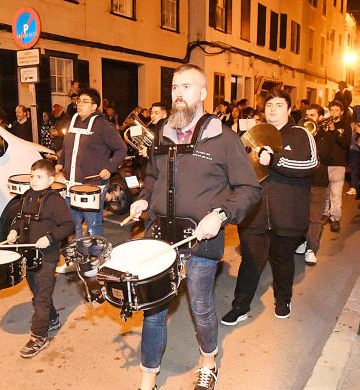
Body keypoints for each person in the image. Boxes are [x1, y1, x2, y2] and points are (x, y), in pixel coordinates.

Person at [130, 64, 262, 390]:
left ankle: (208, 361)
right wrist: (144, 199)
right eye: (175, 87)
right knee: (153, 309)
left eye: (187, 87)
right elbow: (153, 176)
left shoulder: (224, 139)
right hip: (159, 237)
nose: (178, 93)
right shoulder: (161, 132)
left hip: (201, 239)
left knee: (200, 305)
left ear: (202, 94)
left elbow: (249, 189)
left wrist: (220, 215)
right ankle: (148, 378)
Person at [221, 89, 318, 326]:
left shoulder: (300, 134)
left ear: (289, 108)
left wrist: (273, 160)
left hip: (287, 214)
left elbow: (310, 165)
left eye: (278, 105)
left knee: (282, 260)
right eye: (269, 106)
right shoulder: (255, 134)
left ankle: (283, 299)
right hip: (255, 214)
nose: (272, 109)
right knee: (250, 261)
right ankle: (240, 306)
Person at [7, 159, 74, 358]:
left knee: (41, 298)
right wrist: (13, 231)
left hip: (47, 256)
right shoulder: (27, 195)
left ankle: (38, 336)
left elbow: (68, 225)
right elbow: (20, 218)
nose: (34, 181)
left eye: (39, 177)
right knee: (38, 293)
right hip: (28, 254)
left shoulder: (54, 200)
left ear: (51, 179)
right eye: (32, 176)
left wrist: (49, 238)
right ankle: (52, 319)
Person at [56, 87, 127, 239]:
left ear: (94, 106)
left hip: (93, 184)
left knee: (93, 224)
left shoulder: (103, 125)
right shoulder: (73, 121)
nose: (80, 104)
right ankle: (78, 253)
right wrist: (60, 163)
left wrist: (110, 168)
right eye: (79, 101)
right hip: (71, 183)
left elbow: (121, 148)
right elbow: (66, 146)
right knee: (71, 222)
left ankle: (96, 255)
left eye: (85, 102)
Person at [295, 104, 334, 265]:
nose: (309, 118)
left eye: (313, 115)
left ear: (320, 117)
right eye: (307, 114)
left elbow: (325, 156)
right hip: (301, 182)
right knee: (300, 216)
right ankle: (304, 240)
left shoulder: (325, 135)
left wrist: (316, 135)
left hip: (318, 181)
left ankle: (311, 248)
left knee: (315, 218)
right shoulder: (299, 133)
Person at [322, 100, 351, 232]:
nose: (333, 113)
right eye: (331, 110)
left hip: (338, 164)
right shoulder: (324, 124)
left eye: (336, 110)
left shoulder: (345, 125)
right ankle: (325, 214)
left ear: (342, 112)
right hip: (324, 164)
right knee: (325, 192)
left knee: (336, 194)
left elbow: (345, 143)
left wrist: (334, 130)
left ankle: (335, 218)